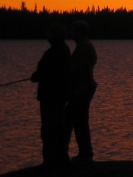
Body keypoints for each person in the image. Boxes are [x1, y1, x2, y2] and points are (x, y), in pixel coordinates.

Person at [31, 22, 71, 168]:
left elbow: (45, 72)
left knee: (50, 128)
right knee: (59, 126)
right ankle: (61, 157)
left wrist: (36, 76)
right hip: (60, 94)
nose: (48, 37)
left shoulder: (53, 52)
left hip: (51, 95)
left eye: (50, 34)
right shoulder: (64, 50)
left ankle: (50, 160)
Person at [66, 20, 98, 160]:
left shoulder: (84, 48)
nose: (71, 34)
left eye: (73, 31)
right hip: (82, 88)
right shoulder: (85, 46)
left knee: (74, 121)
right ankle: (85, 152)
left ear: (79, 32)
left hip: (81, 90)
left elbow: (78, 70)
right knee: (79, 122)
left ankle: (84, 153)